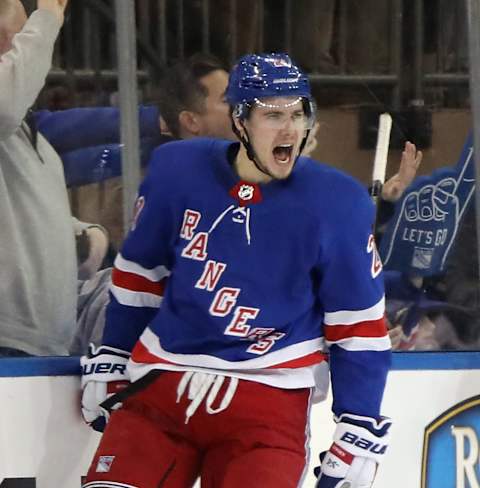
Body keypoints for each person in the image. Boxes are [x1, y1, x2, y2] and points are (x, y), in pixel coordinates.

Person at [81, 53, 392, 488]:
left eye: (299, 113)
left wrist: (357, 423)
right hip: (162, 385)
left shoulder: (338, 203)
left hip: (268, 403)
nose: (290, 128)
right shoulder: (177, 170)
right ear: (240, 121)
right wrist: (114, 350)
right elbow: (140, 273)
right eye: (273, 115)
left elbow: (357, 324)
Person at [0, 0, 110, 357]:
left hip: (46, 343)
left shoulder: (37, 141)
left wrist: (77, 233)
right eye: (25, 38)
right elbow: (5, 104)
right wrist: (45, 18)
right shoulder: (6, 111)